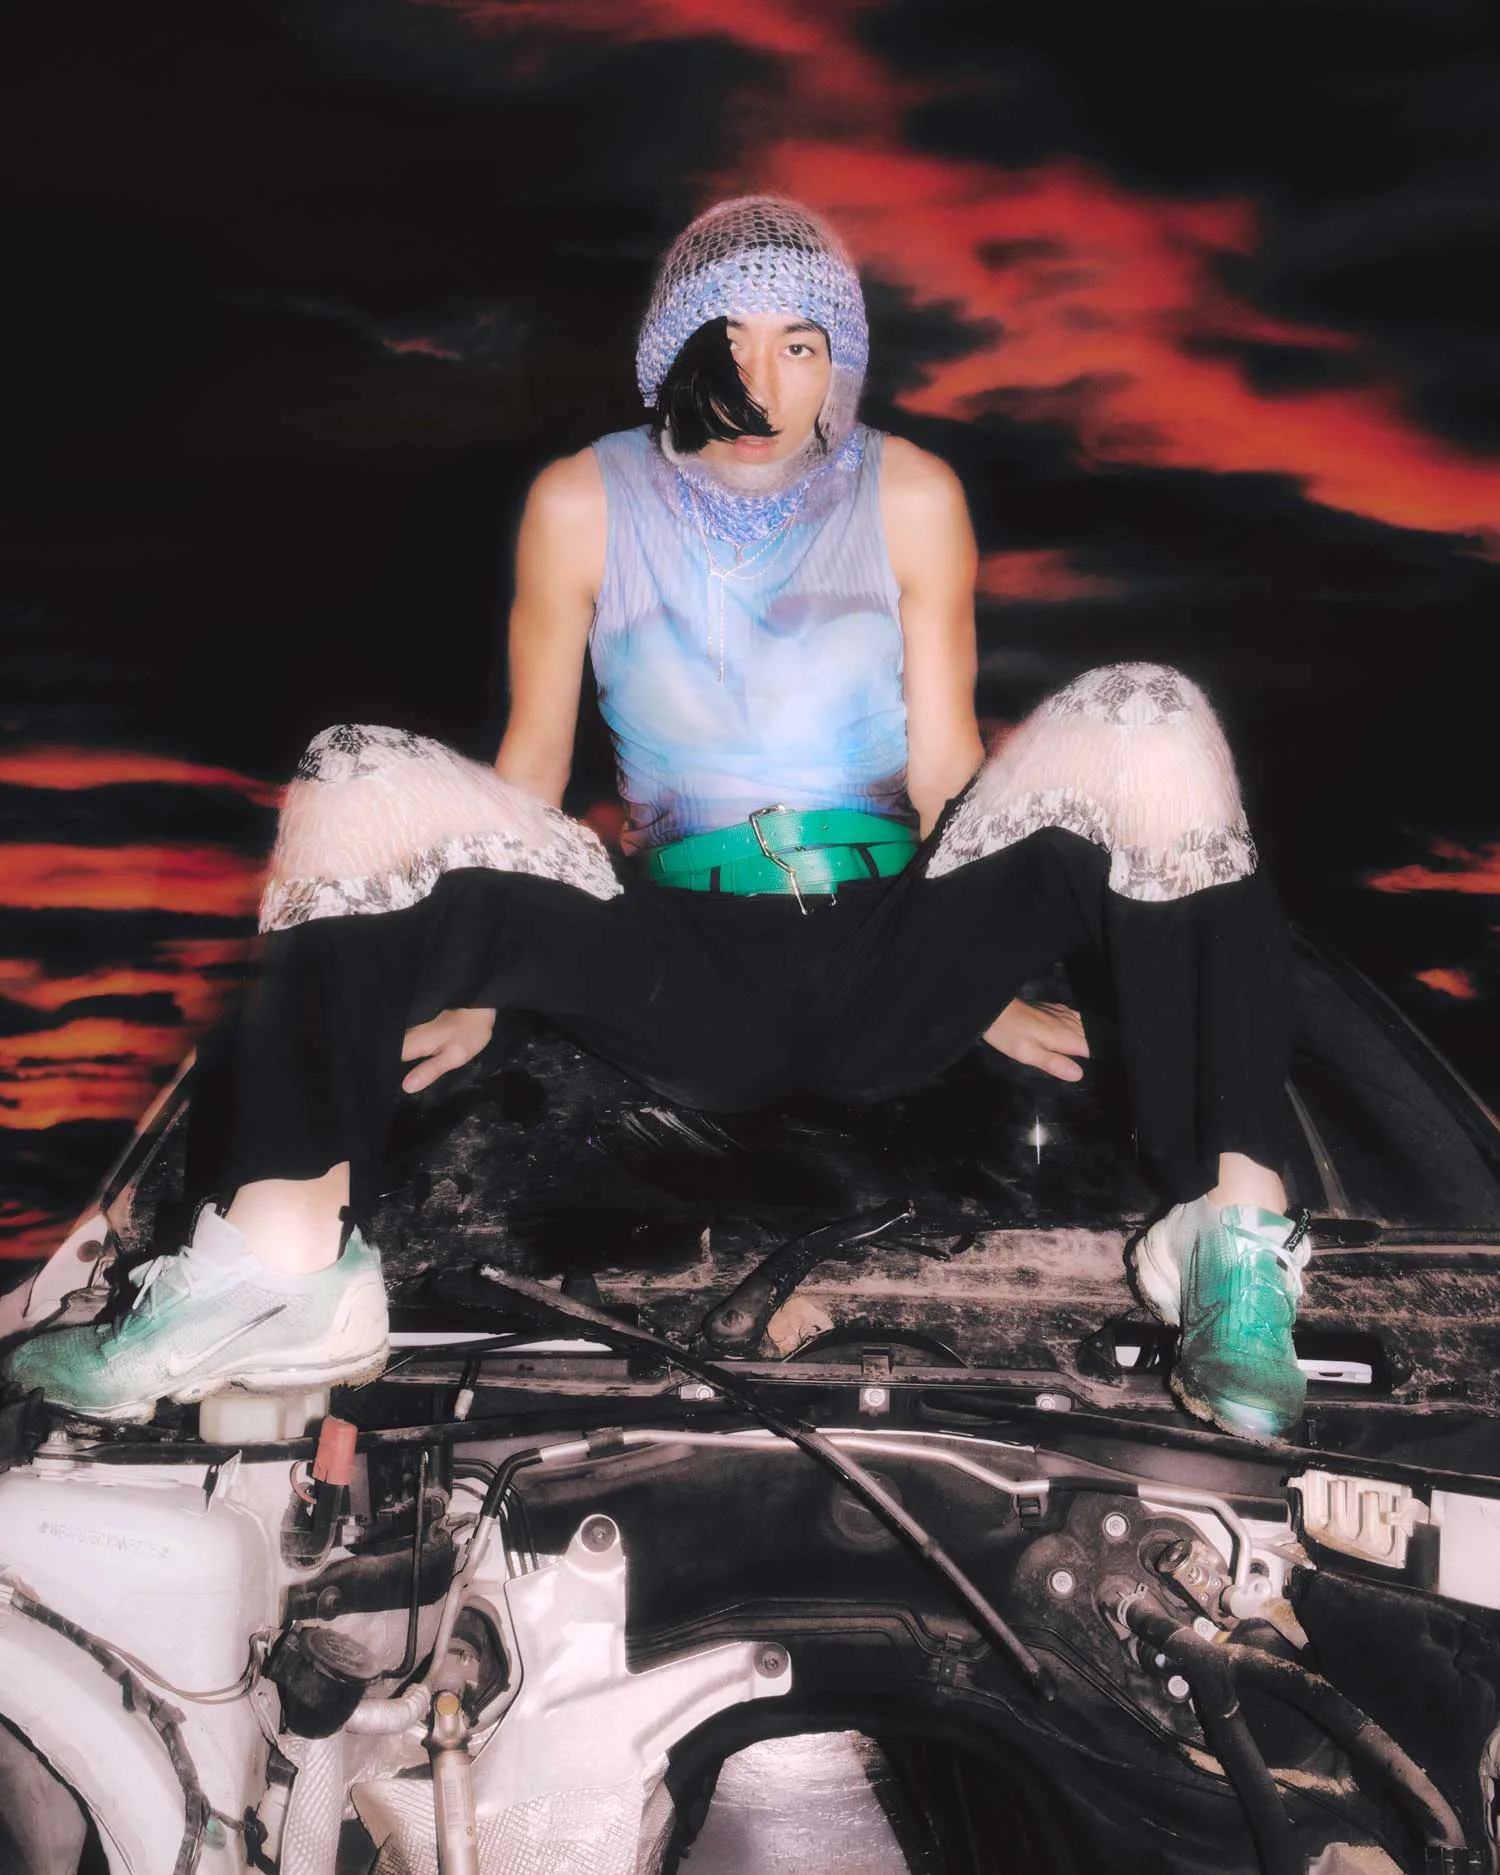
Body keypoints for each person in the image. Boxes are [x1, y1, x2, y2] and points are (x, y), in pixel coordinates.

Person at [3, 198, 1310, 1440]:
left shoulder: (911, 492)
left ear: (839, 366)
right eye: (727, 340)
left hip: (887, 949)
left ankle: (1236, 1243)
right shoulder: (582, 500)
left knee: (1154, 712)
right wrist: (484, 974)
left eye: (801, 346)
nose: (762, 382)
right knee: (352, 771)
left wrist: (983, 969)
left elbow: (947, 770)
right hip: (682, 965)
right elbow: (529, 768)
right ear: (673, 349)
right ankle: (286, 1266)